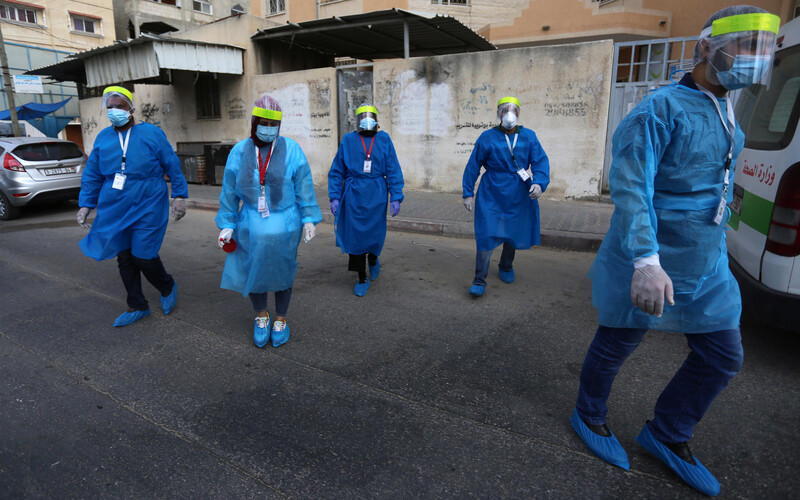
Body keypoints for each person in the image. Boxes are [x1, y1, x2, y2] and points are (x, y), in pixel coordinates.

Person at [570, 7, 780, 496]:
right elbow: (630, 188)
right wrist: (645, 259)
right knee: (619, 338)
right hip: (651, 250)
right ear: (705, 47)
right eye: (744, 46)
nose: (753, 60)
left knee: (723, 354)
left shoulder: (727, 105)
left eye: (761, 50)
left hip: (705, 257)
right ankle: (589, 413)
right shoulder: (657, 109)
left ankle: (668, 433)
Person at [216, 94, 322, 348]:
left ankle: (281, 318)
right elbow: (229, 190)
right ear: (254, 122)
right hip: (250, 223)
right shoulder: (240, 151)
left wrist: (309, 218)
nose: (268, 129)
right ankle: (261, 315)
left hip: (286, 223)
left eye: (274, 125)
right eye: (264, 123)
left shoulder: (291, 149)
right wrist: (228, 222)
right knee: (255, 269)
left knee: (284, 271)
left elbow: (304, 184)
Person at [77, 86, 188, 327]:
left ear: (131, 108)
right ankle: (137, 305)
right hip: (115, 204)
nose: (115, 111)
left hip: (149, 200)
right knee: (125, 257)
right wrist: (86, 204)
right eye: (110, 107)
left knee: (144, 254)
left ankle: (166, 285)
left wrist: (179, 195)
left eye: (120, 106)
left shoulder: (151, 134)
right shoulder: (103, 138)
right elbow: (93, 174)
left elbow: (172, 163)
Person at [462, 96, 550, 297]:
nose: (509, 114)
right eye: (504, 110)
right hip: (491, 191)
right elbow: (473, 165)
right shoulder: (487, 137)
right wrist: (468, 192)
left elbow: (540, 161)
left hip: (519, 192)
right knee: (486, 233)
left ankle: (506, 265)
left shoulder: (529, 136)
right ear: (498, 114)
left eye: (513, 111)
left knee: (513, 231)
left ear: (519, 114)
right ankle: (479, 279)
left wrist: (539, 183)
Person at [328, 104, 404, 297]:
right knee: (356, 236)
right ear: (357, 119)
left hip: (377, 193)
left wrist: (396, 195)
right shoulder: (348, 140)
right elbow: (337, 170)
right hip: (353, 194)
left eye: (370, 116)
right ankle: (362, 277)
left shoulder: (384, 139)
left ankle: (373, 258)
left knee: (374, 233)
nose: (367, 119)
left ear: (377, 120)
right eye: (363, 116)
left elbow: (393, 168)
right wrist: (335, 196)